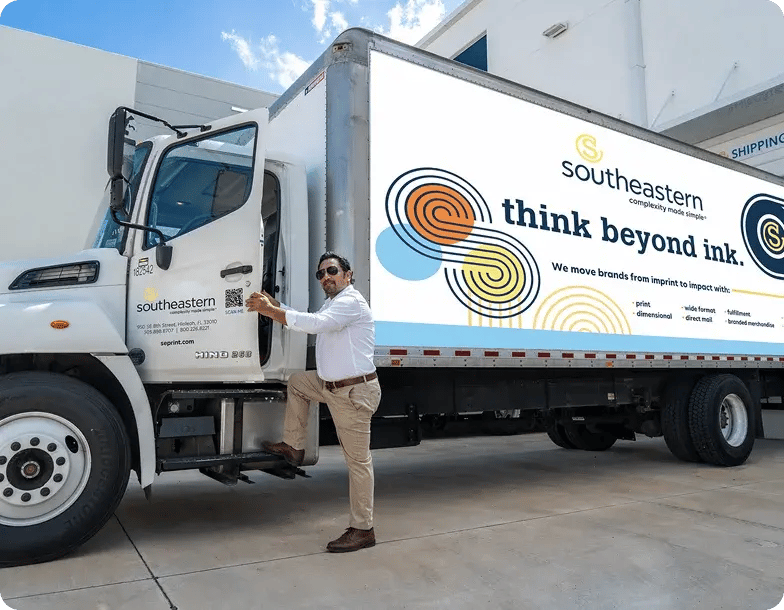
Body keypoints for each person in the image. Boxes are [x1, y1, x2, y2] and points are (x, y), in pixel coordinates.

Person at [245, 252, 381, 553]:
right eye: (320, 274)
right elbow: (314, 318)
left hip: (352, 393)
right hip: (331, 386)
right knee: (298, 382)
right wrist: (278, 306)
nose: (325, 277)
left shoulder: (351, 301)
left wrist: (271, 312)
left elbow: (317, 324)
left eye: (331, 271)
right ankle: (294, 446)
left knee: (358, 463)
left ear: (348, 274)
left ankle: (363, 529)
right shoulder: (333, 302)